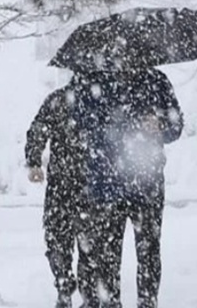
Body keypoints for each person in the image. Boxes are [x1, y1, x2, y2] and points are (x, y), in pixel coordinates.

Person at [72, 67, 182, 308]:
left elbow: (176, 126)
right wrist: (109, 125)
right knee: (107, 255)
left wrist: (160, 124)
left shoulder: (157, 81)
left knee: (149, 251)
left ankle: (147, 303)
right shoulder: (95, 81)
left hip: (148, 184)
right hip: (108, 184)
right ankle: (111, 303)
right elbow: (80, 123)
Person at [26, 77, 86, 308]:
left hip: (64, 185)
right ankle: (76, 289)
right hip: (84, 185)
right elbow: (38, 130)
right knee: (84, 243)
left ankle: (66, 286)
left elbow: (38, 129)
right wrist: (34, 161)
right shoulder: (95, 101)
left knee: (59, 240)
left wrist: (34, 161)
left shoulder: (58, 100)